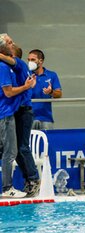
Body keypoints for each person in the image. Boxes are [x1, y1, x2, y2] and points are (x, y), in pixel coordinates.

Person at [0, 39, 41, 197]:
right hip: (14, 110)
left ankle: (33, 179)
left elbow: (6, 57)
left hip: (23, 110)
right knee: (13, 150)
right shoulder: (7, 69)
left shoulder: (20, 65)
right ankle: (28, 180)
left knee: (21, 148)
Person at [28, 49, 62, 130]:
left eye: (33, 59)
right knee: (27, 142)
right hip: (28, 118)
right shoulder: (25, 74)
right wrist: (28, 87)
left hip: (46, 119)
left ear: (41, 61)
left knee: (48, 142)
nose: (30, 62)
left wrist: (50, 92)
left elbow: (59, 94)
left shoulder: (52, 75)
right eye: (28, 60)